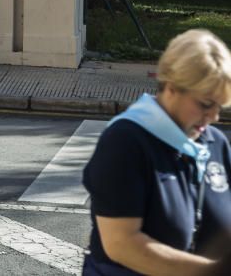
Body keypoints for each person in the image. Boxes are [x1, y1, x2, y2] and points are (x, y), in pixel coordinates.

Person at [82, 29, 231, 275]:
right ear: (171, 87)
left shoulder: (214, 142)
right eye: (205, 104)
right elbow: (121, 245)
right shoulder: (125, 142)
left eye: (219, 106)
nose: (214, 117)